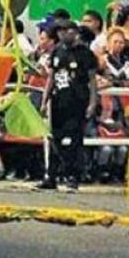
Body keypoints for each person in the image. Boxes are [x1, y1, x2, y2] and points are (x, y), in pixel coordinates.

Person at [38, 23, 98, 192]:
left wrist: (93, 102)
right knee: (54, 138)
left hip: (78, 102)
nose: (65, 34)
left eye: (68, 31)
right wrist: (44, 100)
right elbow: (51, 77)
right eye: (61, 31)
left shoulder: (86, 54)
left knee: (74, 140)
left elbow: (92, 80)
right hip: (58, 101)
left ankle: (72, 176)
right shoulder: (57, 51)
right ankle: (51, 176)